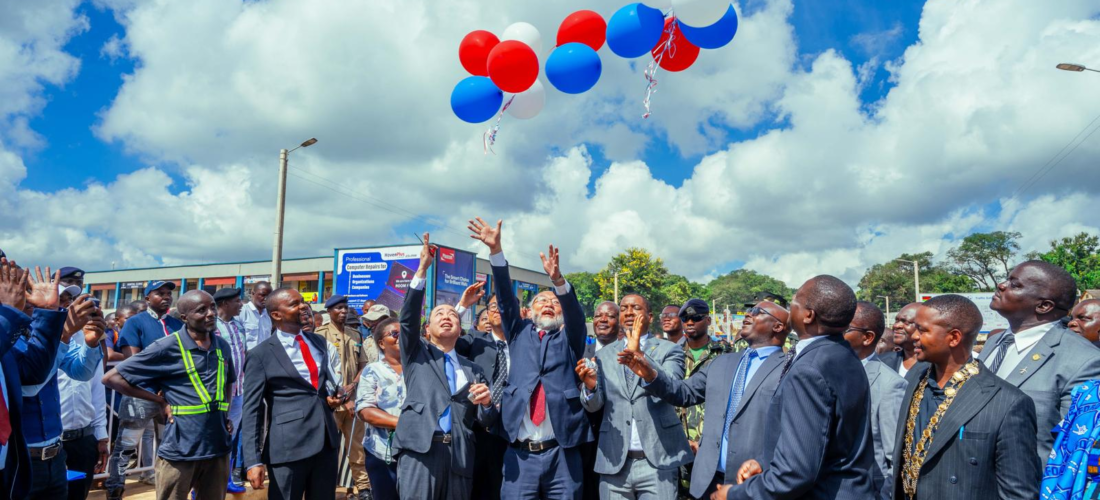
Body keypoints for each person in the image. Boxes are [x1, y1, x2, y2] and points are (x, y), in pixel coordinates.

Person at [469, 217, 592, 499]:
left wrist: (558, 282)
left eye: (554, 302)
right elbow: (504, 298)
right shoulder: (518, 332)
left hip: (562, 454)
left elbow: (575, 315)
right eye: (541, 301)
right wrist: (496, 252)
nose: (548, 305)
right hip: (519, 456)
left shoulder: (568, 339)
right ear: (529, 310)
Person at [619, 300, 789, 499]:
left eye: (757, 312)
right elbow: (682, 392)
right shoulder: (722, 362)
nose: (748, 315)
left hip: (752, 481)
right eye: (749, 311)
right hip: (707, 480)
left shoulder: (789, 368)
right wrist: (650, 374)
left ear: (778, 326)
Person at [728, 275, 877, 500]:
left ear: (808, 315)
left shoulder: (810, 368)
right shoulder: (843, 354)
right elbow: (822, 436)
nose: (789, 307)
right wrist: (765, 461)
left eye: (794, 300)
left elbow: (795, 473)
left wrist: (734, 494)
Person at [892, 295, 1040, 500]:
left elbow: (1019, 492)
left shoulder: (1007, 402)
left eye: (923, 330)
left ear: (953, 337)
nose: (914, 336)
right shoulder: (915, 379)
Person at [103, 290, 236, 500]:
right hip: (181, 450)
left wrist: (224, 412)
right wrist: (159, 401)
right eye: (202, 310)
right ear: (184, 317)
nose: (211, 313)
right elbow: (112, 378)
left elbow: (228, 382)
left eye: (212, 307)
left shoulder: (222, 346)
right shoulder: (167, 346)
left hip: (217, 448)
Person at [392, 233, 495, 500]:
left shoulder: (473, 369)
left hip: (459, 455)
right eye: (439, 315)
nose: (447, 318)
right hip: (420, 451)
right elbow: (407, 321)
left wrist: (486, 404)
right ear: (426, 329)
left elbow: (485, 419)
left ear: (461, 328)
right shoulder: (417, 354)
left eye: (453, 316)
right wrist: (422, 269)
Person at [980, 261, 1100, 462]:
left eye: (1015, 285)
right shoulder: (993, 342)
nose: (1001, 285)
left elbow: (1073, 448)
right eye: (1007, 280)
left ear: (1044, 306)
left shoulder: (1084, 360)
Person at [575, 293, 690, 500]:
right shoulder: (604, 355)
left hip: (657, 461)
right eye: (624, 308)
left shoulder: (670, 350)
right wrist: (590, 387)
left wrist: (639, 356)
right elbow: (594, 406)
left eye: (635, 308)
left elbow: (673, 388)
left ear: (650, 316)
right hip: (614, 461)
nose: (628, 312)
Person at [241, 287, 342, 499]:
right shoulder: (260, 355)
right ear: (277, 315)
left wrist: (334, 397)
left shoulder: (319, 342)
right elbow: (252, 410)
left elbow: (319, 389)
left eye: (303, 301)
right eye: (295, 304)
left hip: (326, 442)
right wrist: (253, 460)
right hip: (288, 448)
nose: (303, 306)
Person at [21, 282, 105, 500]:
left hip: (55, 455)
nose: (66, 306)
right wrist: (64, 335)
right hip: (22, 459)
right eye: (59, 300)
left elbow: (82, 372)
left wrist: (91, 343)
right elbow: (31, 385)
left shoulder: (55, 336)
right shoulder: (11, 337)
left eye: (68, 300)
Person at [107, 280, 184, 498]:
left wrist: (168, 391)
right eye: (160, 293)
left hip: (170, 398)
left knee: (168, 448)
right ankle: (115, 489)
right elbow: (133, 362)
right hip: (141, 395)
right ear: (147, 297)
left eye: (169, 293)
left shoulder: (177, 325)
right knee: (126, 446)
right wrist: (155, 389)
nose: (167, 297)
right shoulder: (135, 322)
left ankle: (165, 490)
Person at [0, 261, 66, 500]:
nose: (21, 293)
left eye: (23, 285)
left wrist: (48, 313)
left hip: (10, 461)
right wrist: (8, 311)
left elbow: (32, 373)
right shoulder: (7, 323)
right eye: (11, 283)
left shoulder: (11, 328)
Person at [841, 301, 907, 495]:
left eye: (845, 329)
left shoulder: (890, 385)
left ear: (868, 337)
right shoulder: (829, 371)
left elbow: (895, 457)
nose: (836, 333)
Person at [453, 291, 511, 500]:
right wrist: (461, 307)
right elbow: (444, 341)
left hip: (513, 432)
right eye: (493, 306)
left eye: (505, 305)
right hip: (478, 428)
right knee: (476, 489)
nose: (498, 310)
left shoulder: (525, 343)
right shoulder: (475, 339)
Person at [316, 294, 373, 500]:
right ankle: (323, 487)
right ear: (329, 311)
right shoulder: (319, 334)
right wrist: (337, 393)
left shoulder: (355, 335)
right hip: (330, 402)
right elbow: (319, 370)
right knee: (326, 448)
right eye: (338, 308)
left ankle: (363, 488)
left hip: (353, 402)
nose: (343, 311)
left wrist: (353, 387)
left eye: (345, 308)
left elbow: (363, 365)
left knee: (356, 447)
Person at [672, 299, 731, 498]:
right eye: (685, 318)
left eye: (695, 318)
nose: (689, 322)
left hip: (711, 446)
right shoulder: (672, 354)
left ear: (707, 320)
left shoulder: (726, 354)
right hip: (676, 443)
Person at [356, 317, 405, 500]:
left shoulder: (419, 368)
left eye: (404, 334)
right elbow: (365, 410)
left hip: (415, 452)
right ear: (381, 343)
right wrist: (402, 423)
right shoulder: (372, 370)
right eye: (395, 334)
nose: (400, 338)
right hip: (381, 451)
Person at [580, 301, 620, 500]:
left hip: (618, 440)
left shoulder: (627, 354)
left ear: (620, 322)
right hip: (585, 440)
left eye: (610, 316)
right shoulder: (580, 351)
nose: (603, 320)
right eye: (598, 315)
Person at [212, 287, 248, 493]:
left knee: (230, 436)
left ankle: (225, 479)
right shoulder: (211, 326)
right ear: (224, 303)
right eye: (237, 301)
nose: (241, 304)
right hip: (218, 392)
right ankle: (204, 483)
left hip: (238, 390)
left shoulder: (237, 325)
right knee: (215, 436)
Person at [879, 303, 921, 377]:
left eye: (906, 322)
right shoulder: (881, 362)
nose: (896, 326)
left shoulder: (936, 366)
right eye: (896, 321)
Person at [238, 281, 272, 350]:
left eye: (269, 296)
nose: (266, 299)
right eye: (263, 295)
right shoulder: (242, 311)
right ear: (253, 293)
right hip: (247, 358)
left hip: (264, 358)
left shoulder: (269, 315)